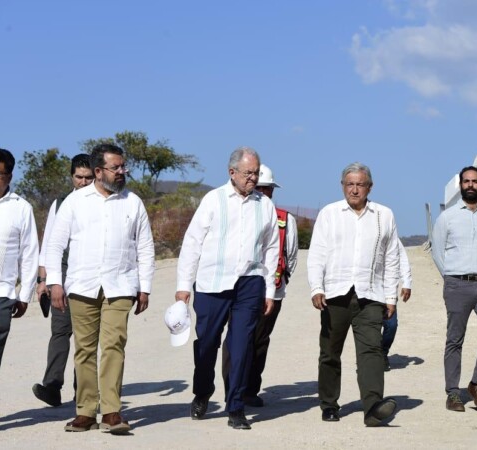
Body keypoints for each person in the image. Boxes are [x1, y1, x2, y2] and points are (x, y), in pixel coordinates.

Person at [46, 144, 155, 434]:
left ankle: (111, 412)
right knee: (84, 349)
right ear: (98, 171)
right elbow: (55, 245)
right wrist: (55, 282)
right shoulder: (75, 201)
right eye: (115, 168)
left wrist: (145, 286)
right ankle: (84, 412)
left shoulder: (133, 202)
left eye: (123, 167)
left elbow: (145, 246)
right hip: (82, 285)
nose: (122, 172)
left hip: (120, 285)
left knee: (113, 346)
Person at [176, 147, 279, 430]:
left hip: (250, 282)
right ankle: (202, 392)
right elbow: (193, 243)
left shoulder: (264, 205)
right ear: (231, 172)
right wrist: (183, 286)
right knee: (207, 342)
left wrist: (269, 289)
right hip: (212, 282)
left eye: (256, 173)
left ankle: (236, 407)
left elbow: (271, 248)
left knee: (241, 345)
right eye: (248, 173)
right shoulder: (213, 200)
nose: (253, 178)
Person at [307, 162, 400, 426]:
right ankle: (329, 404)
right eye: (350, 184)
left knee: (371, 351)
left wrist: (390, 297)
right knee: (330, 352)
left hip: (370, 295)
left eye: (360, 184)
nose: (355, 189)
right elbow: (317, 254)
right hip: (335, 294)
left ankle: (372, 408)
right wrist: (316, 287)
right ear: (342, 186)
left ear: (370, 187)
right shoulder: (329, 213)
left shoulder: (384, 215)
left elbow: (391, 257)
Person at [221, 163, 298, 407]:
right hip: (239, 287)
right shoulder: (235, 212)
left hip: (272, 291)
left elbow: (291, 256)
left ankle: (250, 389)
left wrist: (277, 282)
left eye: (268, 189)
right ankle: (232, 388)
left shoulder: (286, 219)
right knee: (235, 339)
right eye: (261, 188)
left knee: (259, 341)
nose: (264, 193)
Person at [432, 166, 477, 412]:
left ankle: (476, 384)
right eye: (466, 181)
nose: (470, 185)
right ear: (461, 185)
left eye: (475, 181)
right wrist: (451, 277)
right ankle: (453, 392)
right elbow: (438, 250)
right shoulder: (447, 217)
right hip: (456, 283)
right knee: (455, 339)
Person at [33, 154, 94, 407]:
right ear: (72, 177)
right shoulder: (60, 203)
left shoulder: (101, 203)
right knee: (60, 330)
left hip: (90, 272)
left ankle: (83, 389)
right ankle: (52, 386)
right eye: (78, 177)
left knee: (86, 334)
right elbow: (49, 244)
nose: (82, 182)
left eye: (88, 177)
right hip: (63, 272)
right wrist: (42, 279)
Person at [0, 148, 39, 375]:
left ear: (9, 177)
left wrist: (24, 295)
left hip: (2, 294)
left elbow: (30, 253)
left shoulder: (21, 208)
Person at [381, 240, 412, 371]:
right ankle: (371, 357)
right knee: (370, 327)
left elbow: (402, 259)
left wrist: (406, 283)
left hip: (388, 290)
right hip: (366, 291)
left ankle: (382, 352)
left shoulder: (390, 235)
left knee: (391, 325)